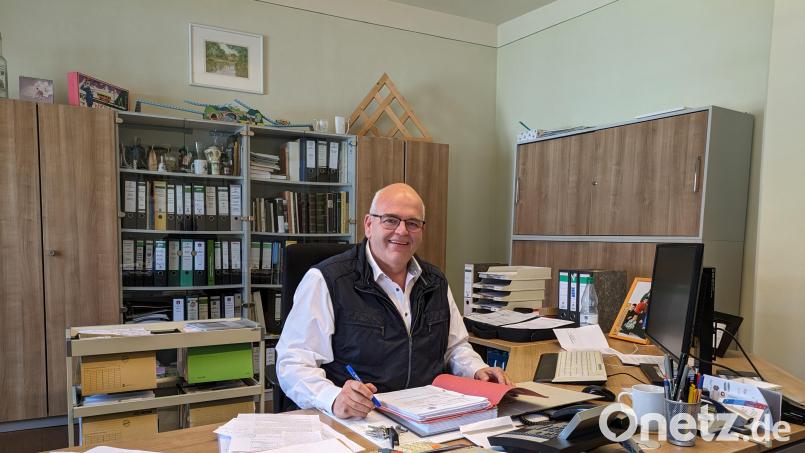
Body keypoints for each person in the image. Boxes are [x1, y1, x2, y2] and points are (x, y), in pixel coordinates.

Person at [276, 183, 510, 419]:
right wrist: (333, 397)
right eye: (390, 220)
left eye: (412, 223)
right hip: (357, 418)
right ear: (369, 225)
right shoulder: (328, 280)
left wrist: (477, 369)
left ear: (421, 230)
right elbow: (293, 363)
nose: (402, 231)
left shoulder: (435, 281)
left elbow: (455, 347)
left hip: (424, 417)